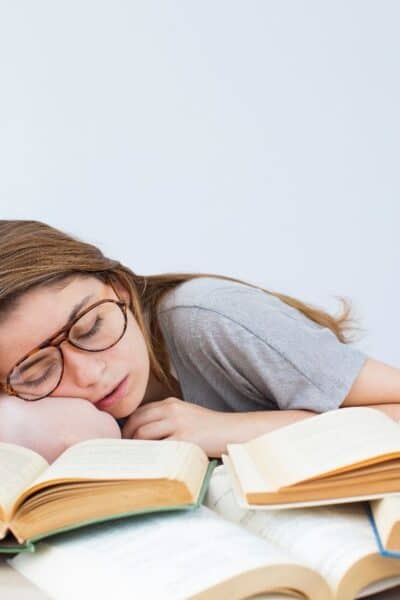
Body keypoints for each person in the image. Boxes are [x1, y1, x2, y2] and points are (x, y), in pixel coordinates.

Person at [1, 219, 400, 463]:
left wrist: (225, 431)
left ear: (119, 290)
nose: (89, 374)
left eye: (90, 328)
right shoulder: (35, 408)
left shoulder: (208, 318)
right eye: (39, 372)